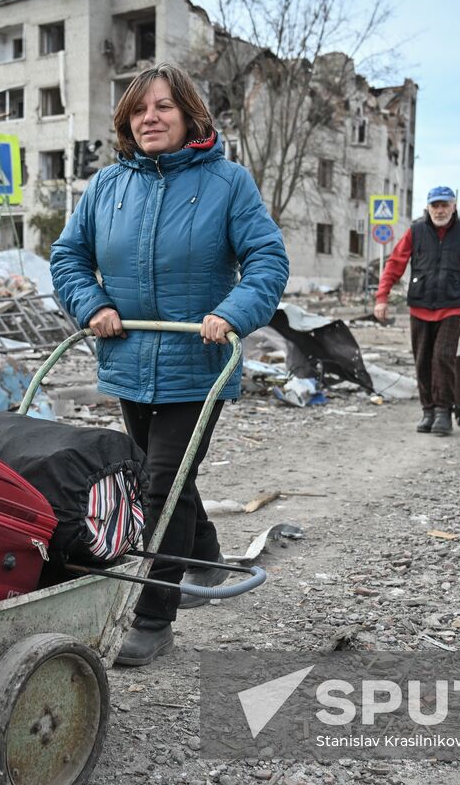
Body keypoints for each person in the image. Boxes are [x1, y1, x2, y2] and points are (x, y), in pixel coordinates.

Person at [50, 62, 289, 667]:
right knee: (169, 476)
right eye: (138, 110)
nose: (149, 118)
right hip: (130, 356)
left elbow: (266, 259)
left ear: (188, 114)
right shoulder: (107, 186)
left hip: (197, 360)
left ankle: (155, 618)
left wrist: (232, 313)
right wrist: (93, 303)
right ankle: (204, 561)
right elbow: (68, 255)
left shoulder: (227, 182)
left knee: (163, 484)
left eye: (162, 107)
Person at [372, 186, 460, 436]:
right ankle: (428, 411)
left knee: (442, 357)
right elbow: (395, 264)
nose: (440, 210)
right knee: (422, 361)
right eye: (435, 206)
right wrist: (382, 297)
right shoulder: (416, 231)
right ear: (428, 208)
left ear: (454, 206)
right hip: (420, 305)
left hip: (452, 305)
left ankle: (444, 411)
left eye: (444, 205)